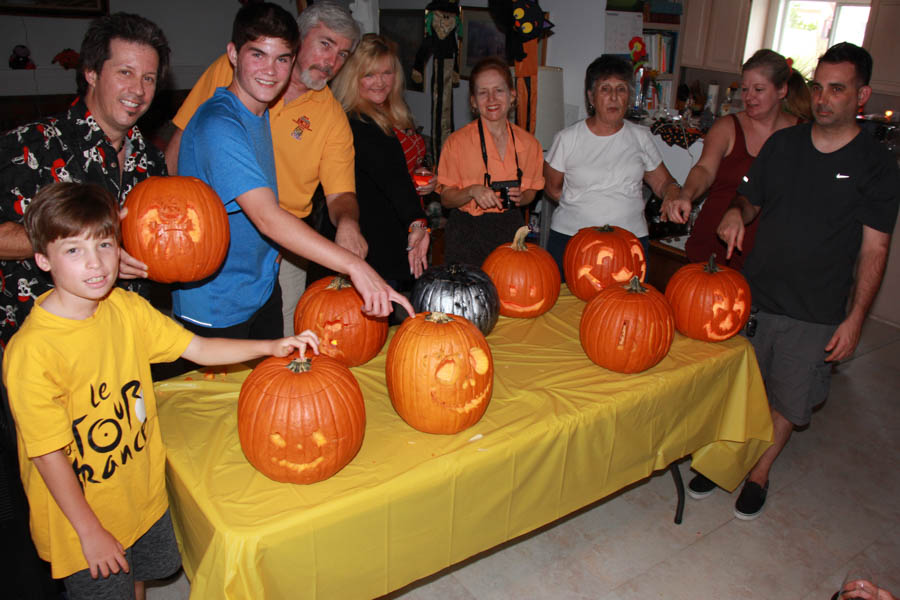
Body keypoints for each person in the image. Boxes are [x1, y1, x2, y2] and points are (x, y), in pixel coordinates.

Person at [2, 181, 318, 600]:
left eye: (105, 245)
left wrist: (271, 346)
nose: (95, 263)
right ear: (43, 259)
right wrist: (90, 531)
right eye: (73, 250)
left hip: (141, 495)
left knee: (139, 580)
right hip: (82, 518)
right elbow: (47, 454)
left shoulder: (127, 309)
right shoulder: (32, 352)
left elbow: (200, 348)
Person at [0, 13, 170, 595]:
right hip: (45, 350)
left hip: (117, 349)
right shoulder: (31, 144)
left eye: (148, 78)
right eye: (124, 72)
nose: (137, 89)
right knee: (50, 515)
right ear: (91, 73)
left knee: (122, 490)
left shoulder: (149, 159)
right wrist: (79, 242)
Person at [694, 42, 899, 520]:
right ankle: (723, 458)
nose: (824, 99)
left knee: (788, 398)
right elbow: (751, 199)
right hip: (756, 294)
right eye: (819, 87)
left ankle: (759, 472)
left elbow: (875, 249)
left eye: (837, 89)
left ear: (861, 95)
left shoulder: (877, 164)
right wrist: (733, 215)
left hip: (815, 308)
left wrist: (855, 320)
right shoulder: (783, 146)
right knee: (739, 388)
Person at [173, 3, 413, 344]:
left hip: (265, 273)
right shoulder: (222, 120)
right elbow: (267, 216)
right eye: (325, 44)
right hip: (217, 286)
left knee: (276, 370)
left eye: (342, 53)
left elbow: (339, 192)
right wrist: (356, 266)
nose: (331, 61)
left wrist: (348, 224)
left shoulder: (261, 113)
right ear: (235, 56)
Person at [661, 50, 811, 270]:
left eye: (758, 89)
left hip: (769, 256)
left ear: (782, 90)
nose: (749, 97)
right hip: (714, 246)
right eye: (745, 89)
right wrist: (686, 195)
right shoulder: (728, 127)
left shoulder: (803, 135)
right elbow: (704, 169)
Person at [543, 54, 680, 275]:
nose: (614, 97)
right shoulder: (567, 139)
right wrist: (588, 207)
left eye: (621, 89)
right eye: (605, 89)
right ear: (591, 97)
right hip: (573, 240)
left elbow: (662, 181)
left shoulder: (641, 137)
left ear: (629, 96)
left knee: (624, 307)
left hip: (629, 242)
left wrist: (673, 191)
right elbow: (552, 187)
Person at [330, 34, 430, 298]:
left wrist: (423, 176)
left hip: (394, 229)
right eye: (369, 75)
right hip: (373, 240)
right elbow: (393, 178)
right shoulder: (359, 122)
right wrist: (418, 222)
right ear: (354, 78)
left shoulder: (393, 111)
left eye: (387, 73)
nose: (380, 82)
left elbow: (401, 167)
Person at [437, 56, 545, 267]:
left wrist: (521, 198)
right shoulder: (456, 143)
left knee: (509, 294)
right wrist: (471, 191)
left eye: (499, 90)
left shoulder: (530, 144)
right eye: (483, 93)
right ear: (473, 101)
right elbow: (446, 199)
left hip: (510, 230)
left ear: (512, 95)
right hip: (466, 232)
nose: (492, 99)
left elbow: (532, 191)